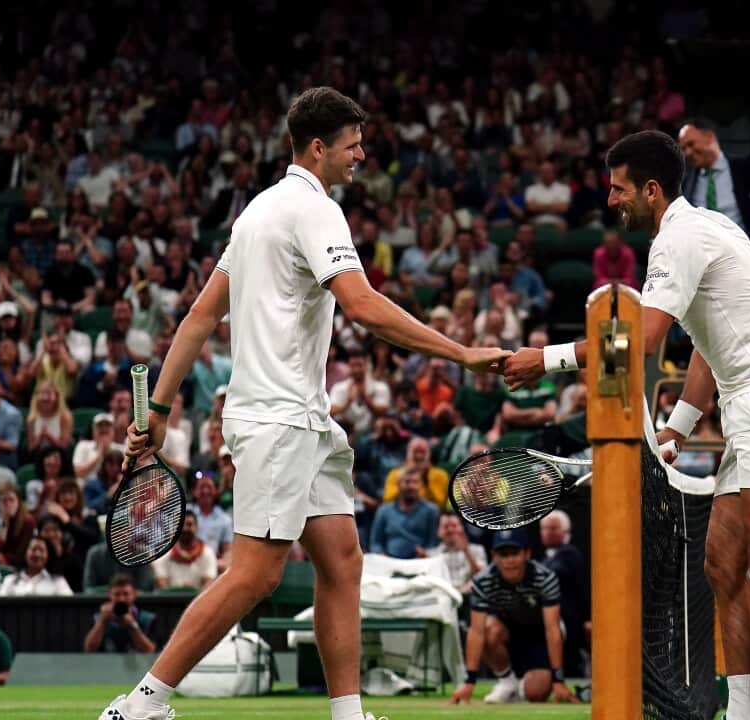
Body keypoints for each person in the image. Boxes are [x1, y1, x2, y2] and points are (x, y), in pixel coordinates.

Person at [107, 88, 508, 720]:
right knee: (256, 576)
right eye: (352, 145)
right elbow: (362, 305)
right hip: (277, 420)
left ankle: (347, 715)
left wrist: (156, 413)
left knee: (342, 560)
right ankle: (139, 706)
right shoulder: (315, 211)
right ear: (318, 149)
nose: (361, 155)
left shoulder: (255, 215)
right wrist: (462, 353)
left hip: (306, 421)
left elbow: (198, 319)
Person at [502, 130, 750, 720]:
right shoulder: (713, 228)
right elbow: (708, 343)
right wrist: (677, 426)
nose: (611, 201)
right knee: (723, 563)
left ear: (652, 191)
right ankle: (743, 713)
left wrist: (542, 357)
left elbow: (639, 341)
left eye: (620, 189)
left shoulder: (679, 239)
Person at [450, 529, 577, 705]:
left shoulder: (545, 578)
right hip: (506, 635)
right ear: (494, 556)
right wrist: (469, 681)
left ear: (527, 553)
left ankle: (522, 687)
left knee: (537, 694)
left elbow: (553, 628)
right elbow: (476, 631)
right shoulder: (482, 581)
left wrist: (558, 679)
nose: (509, 561)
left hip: (539, 636)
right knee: (488, 628)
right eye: (503, 554)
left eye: (515, 553)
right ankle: (507, 682)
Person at [540, 509, 588, 678]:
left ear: (565, 531)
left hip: (571, 623)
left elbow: (582, 588)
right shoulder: (546, 558)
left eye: (553, 528)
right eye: (545, 528)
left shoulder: (570, 554)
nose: (548, 533)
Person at [370, 468, 439, 559]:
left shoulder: (431, 510)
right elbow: (375, 543)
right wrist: (380, 554)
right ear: (398, 484)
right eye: (407, 482)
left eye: (415, 482)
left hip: (421, 561)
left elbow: (433, 542)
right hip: (388, 560)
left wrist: (425, 553)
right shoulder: (384, 510)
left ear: (420, 485)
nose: (411, 486)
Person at [83, 573, 158, 653]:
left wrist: (132, 625)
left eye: (126, 594)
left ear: (134, 595)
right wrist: (102, 621)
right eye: (117, 594)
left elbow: (150, 651)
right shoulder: (97, 618)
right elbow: (89, 649)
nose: (121, 599)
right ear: (110, 595)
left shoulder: (148, 619)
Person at [152, 510, 217, 591]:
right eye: (181, 525)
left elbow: (209, 585)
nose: (185, 528)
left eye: (189, 525)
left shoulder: (207, 553)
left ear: (197, 527)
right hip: (170, 602)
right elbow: (163, 587)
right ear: (176, 528)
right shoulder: (164, 554)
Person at [427, 513, 486, 594]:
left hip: (469, 598)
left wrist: (467, 552)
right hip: (442, 597)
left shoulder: (477, 550)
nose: (450, 530)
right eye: (446, 526)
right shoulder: (430, 556)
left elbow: (483, 577)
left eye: (454, 525)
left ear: (462, 528)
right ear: (438, 531)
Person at [0, 536, 74, 596]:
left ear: (48, 555)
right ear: (25, 553)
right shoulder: (10, 580)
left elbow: (70, 607)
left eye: (41, 550)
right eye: (34, 549)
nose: (37, 554)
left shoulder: (58, 581)